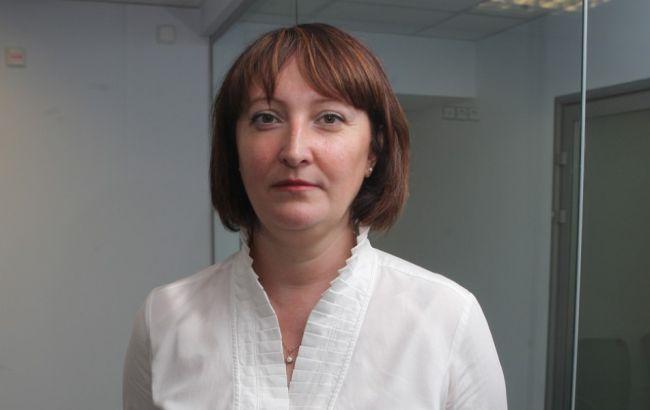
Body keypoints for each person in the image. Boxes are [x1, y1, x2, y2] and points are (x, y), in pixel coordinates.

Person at [123, 23, 507, 409]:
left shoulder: (447, 318)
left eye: (329, 118)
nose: (294, 151)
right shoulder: (165, 318)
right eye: (266, 118)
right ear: (234, 149)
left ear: (373, 152)